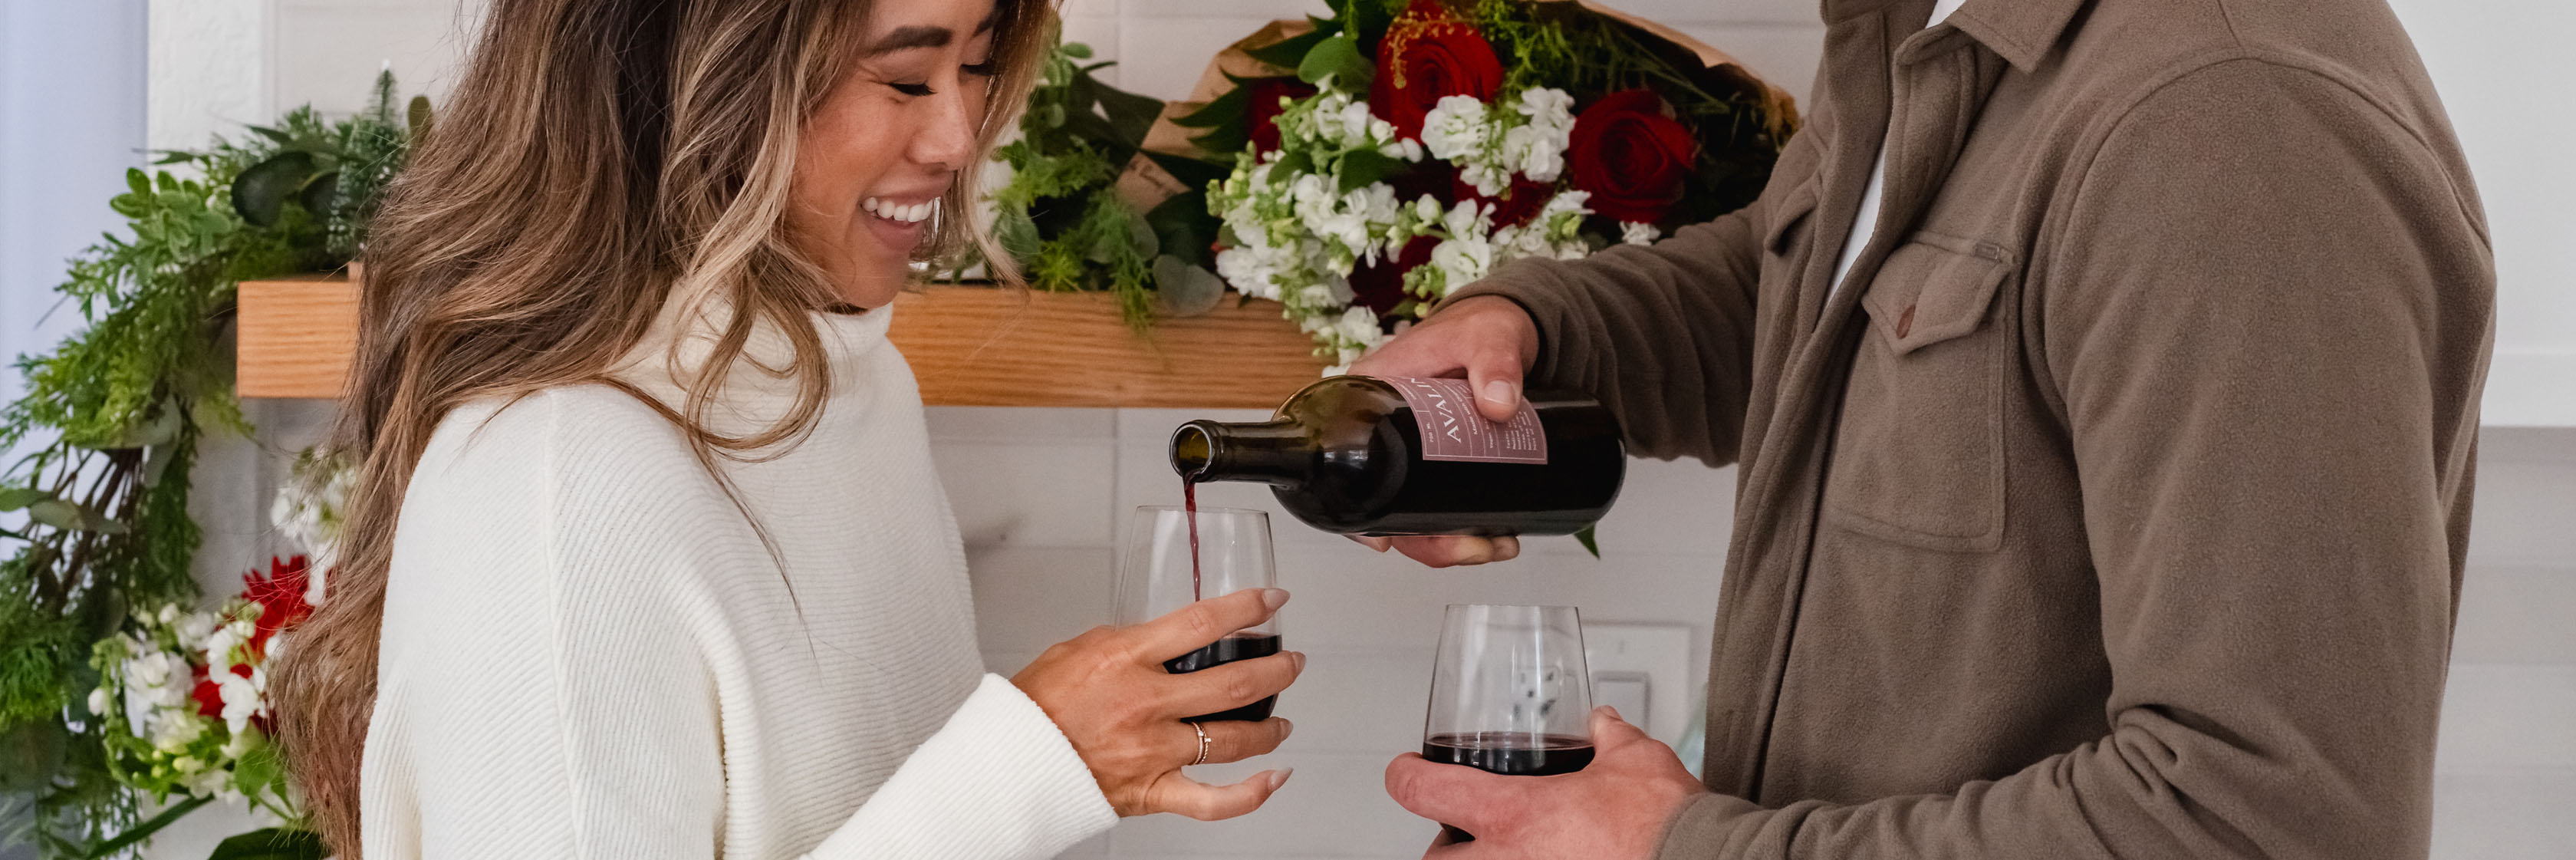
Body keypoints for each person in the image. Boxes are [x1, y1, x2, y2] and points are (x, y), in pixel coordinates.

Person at [1357, 0, 2492, 857]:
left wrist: (1685, 846)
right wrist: (1535, 326)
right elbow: (1811, 296)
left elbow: (2268, 818)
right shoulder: (1935, 23)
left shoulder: (2232, 120)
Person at [266, 1, 1304, 858]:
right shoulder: (553, 474)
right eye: (905, 78)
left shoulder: (856, 385)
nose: (957, 138)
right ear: (699, 76)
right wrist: (1030, 764)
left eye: (979, 63)